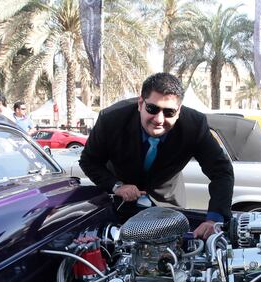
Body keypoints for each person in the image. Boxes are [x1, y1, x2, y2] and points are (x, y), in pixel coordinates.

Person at [79, 72, 234, 239]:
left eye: (169, 112)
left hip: (168, 207)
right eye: (152, 109)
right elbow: (89, 161)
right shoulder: (111, 119)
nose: (159, 119)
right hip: (119, 206)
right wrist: (117, 186)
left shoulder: (194, 126)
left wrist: (214, 219)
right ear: (140, 103)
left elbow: (222, 171)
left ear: (179, 110)